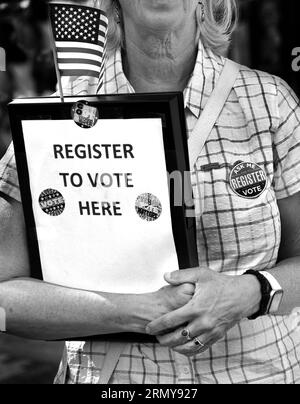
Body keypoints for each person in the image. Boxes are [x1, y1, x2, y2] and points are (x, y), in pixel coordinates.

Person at [1, 0, 300, 384]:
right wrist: (133, 312)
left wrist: (249, 292)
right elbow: (6, 297)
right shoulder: (60, 115)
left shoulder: (270, 103)